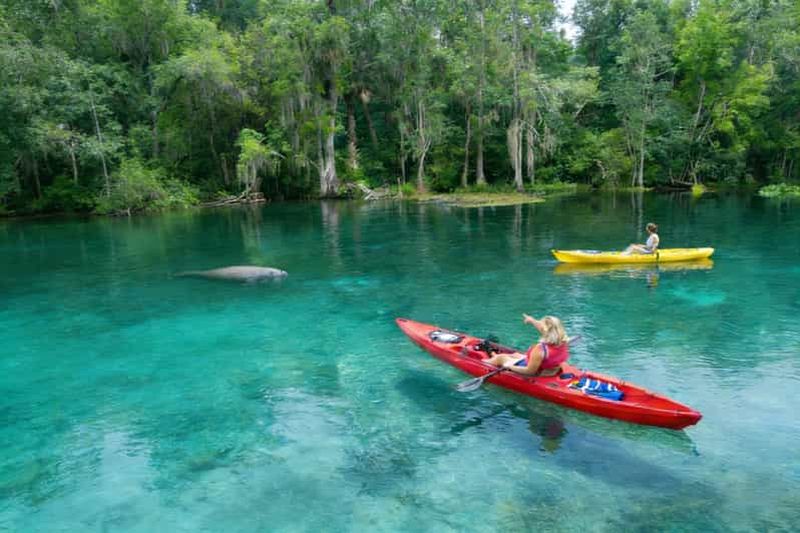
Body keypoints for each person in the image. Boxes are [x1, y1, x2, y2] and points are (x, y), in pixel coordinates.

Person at [484, 314, 570, 377]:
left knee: (501, 358)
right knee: (515, 355)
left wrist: (509, 367)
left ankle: (483, 362)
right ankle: (493, 354)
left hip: (536, 371)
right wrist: (532, 321)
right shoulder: (563, 340)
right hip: (550, 369)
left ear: (544, 330)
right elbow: (545, 328)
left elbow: (530, 372)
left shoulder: (540, 349)